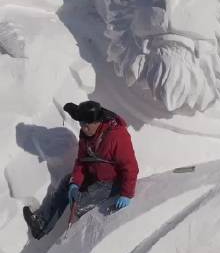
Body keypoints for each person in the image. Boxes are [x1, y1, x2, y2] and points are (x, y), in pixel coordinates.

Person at [23, 100, 139, 239]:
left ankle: (74, 240)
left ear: (98, 121)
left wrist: (126, 194)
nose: (83, 128)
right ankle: (41, 224)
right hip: (95, 174)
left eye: (86, 124)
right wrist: (74, 183)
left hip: (113, 182)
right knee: (67, 182)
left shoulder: (117, 136)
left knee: (80, 203)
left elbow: (131, 167)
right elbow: (81, 161)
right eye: (81, 124)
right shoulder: (86, 135)